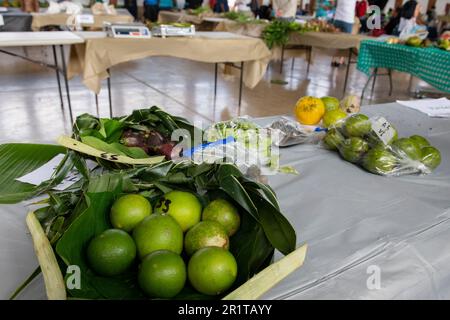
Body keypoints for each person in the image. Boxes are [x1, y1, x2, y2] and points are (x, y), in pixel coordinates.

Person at [332, 0, 357, 66]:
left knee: (335, 40)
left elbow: (334, 4)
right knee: (344, 42)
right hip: (348, 20)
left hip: (337, 19)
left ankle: (334, 59)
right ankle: (340, 61)